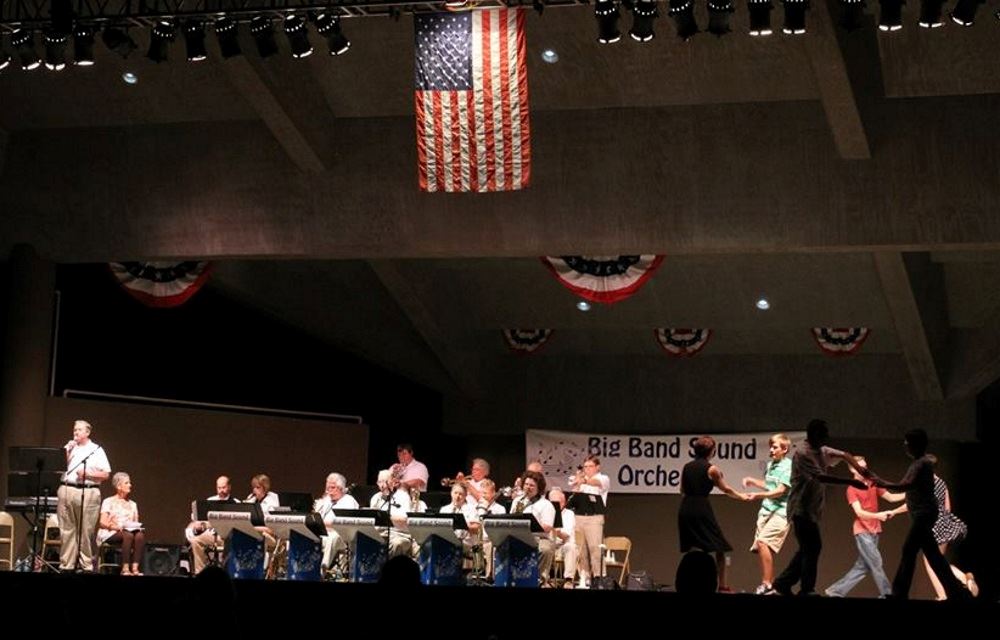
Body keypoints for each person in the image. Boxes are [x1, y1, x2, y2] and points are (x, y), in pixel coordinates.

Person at [768, 419, 867, 596]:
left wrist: (860, 470)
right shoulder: (803, 453)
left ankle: (783, 582)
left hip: (811, 509)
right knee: (813, 546)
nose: (827, 437)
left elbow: (845, 454)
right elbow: (821, 477)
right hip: (800, 508)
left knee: (808, 548)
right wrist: (851, 481)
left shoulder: (821, 451)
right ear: (814, 434)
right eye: (824, 434)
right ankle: (806, 589)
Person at [869, 428, 970, 600]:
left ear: (916, 444)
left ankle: (900, 593)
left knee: (909, 550)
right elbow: (908, 497)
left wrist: (879, 481)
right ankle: (957, 592)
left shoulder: (921, 464)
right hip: (924, 516)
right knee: (934, 557)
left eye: (907, 442)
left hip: (924, 517)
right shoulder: (919, 464)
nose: (905, 445)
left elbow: (905, 486)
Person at [823, 457, 905, 598]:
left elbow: (891, 497)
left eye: (865, 466)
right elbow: (859, 513)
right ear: (852, 470)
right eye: (861, 468)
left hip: (875, 530)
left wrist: (910, 493)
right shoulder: (851, 489)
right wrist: (878, 515)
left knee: (863, 566)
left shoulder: (873, 483)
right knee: (876, 562)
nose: (865, 470)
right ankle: (887, 594)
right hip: (862, 531)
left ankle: (835, 591)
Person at [678, 436, 750, 592]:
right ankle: (723, 586)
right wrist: (741, 496)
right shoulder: (712, 469)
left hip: (685, 508)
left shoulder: (686, 466)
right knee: (720, 547)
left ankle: (690, 583)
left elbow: (682, 490)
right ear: (711, 451)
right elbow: (726, 489)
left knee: (694, 548)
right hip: (701, 507)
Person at [57, 419, 112, 572]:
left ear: (87, 432)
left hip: (88, 491)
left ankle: (85, 565)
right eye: (75, 429)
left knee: (85, 530)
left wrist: (88, 474)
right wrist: (67, 450)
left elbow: (106, 474)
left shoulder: (96, 449)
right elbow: (59, 466)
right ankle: (66, 565)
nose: (76, 432)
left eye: (79, 430)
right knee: (66, 529)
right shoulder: (70, 448)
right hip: (67, 489)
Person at [742, 433, 793, 595]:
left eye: (775, 447)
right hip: (766, 511)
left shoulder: (788, 466)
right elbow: (769, 485)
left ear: (784, 449)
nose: (771, 449)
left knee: (763, 542)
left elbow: (780, 491)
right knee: (761, 546)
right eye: (770, 446)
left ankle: (767, 584)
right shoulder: (771, 465)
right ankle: (768, 584)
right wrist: (753, 481)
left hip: (781, 511)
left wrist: (757, 495)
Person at [921, 473, 977, 599]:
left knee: (930, 564)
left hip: (932, 526)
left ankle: (942, 596)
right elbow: (947, 509)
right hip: (944, 526)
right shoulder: (942, 483)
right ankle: (964, 577)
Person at [568, 454, 610, 588]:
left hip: (594, 518)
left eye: (590, 466)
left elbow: (596, 483)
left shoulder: (603, 478)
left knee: (595, 549)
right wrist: (577, 484)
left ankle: (599, 578)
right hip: (579, 517)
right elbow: (574, 495)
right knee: (581, 550)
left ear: (597, 467)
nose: (587, 469)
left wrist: (582, 480)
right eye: (585, 467)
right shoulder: (582, 480)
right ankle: (584, 578)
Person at [186, 475, 239, 575]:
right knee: (196, 540)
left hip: (227, 537)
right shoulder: (210, 500)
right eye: (219, 488)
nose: (221, 490)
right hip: (212, 534)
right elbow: (198, 517)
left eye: (223, 487)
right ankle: (200, 573)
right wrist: (199, 523)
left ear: (229, 487)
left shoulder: (236, 503)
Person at [510, 470, 556, 583]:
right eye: (526, 484)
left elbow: (547, 528)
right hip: (519, 536)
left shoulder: (546, 505)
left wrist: (528, 525)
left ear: (539, 488)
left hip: (540, 538)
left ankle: (539, 579)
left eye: (532, 485)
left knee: (545, 549)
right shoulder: (517, 501)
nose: (528, 487)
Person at [97, 471, 146, 575]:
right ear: (119, 486)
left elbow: (135, 522)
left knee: (140, 536)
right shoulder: (108, 501)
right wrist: (116, 527)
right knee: (127, 535)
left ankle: (135, 568)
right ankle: (125, 568)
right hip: (110, 531)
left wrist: (136, 527)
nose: (130, 485)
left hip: (127, 531)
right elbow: (102, 522)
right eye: (127, 483)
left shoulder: (133, 504)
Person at [313, 472, 360, 574]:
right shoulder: (326, 501)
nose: (329, 491)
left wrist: (325, 523)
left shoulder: (349, 501)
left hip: (343, 536)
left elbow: (346, 524)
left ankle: (322, 571)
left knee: (333, 537)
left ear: (341, 488)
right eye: (327, 488)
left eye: (332, 488)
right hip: (323, 533)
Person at [548, 488, 578, 588]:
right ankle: (546, 579)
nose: (555, 505)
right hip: (550, 544)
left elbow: (565, 536)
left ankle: (568, 580)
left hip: (563, 545)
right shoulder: (547, 513)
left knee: (570, 547)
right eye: (552, 503)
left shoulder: (569, 514)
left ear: (564, 502)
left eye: (558, 503)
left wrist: (554, 530)